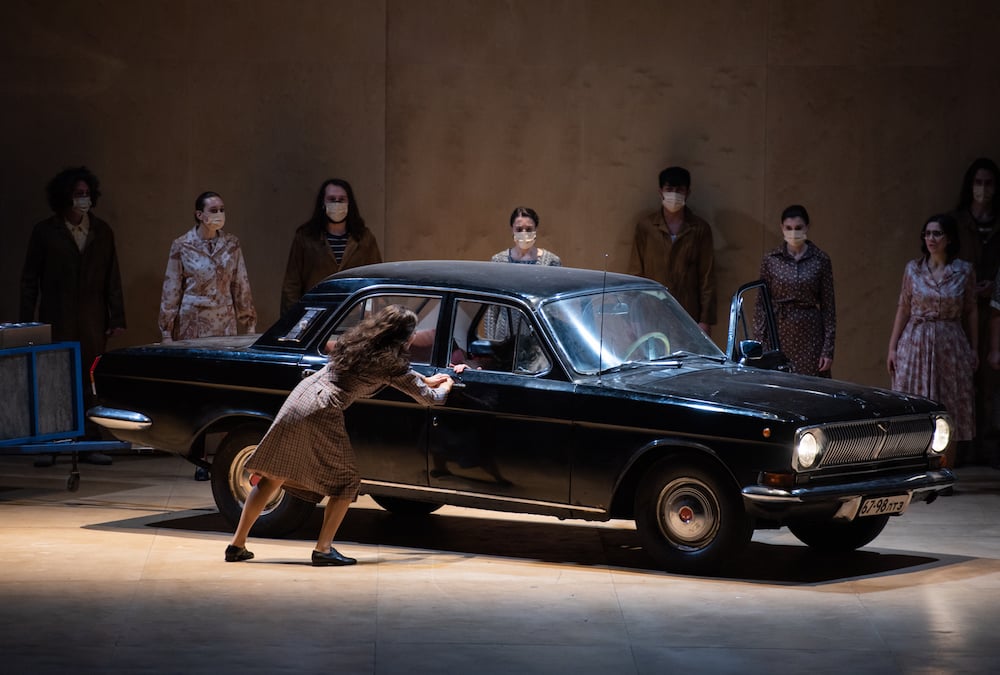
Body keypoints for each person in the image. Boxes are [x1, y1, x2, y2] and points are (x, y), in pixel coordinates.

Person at [225, 305, 465, 566]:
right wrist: (448, 383)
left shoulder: (358, 342)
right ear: (403, 337)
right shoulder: (389, 363)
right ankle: (323, 550)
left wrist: (426, 379)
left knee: (274, 476)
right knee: (346, 482)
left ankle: (236, 545)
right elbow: (429, 398)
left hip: (302, 396)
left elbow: (400, 375)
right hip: (321, 408)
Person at [20, 166, 126, 466]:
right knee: (55, 379)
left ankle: (90, 442)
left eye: (87, 193)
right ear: (64, 197)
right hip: (57, 316)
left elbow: (112, 277)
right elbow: (30, 279)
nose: (83, 199)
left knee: (90, 380)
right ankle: (51, 443)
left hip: (92, 318)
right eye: (78, 194)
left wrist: (116, 317)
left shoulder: (101, 231)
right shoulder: (45, 232)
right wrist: (27, 321)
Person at [887, 214, 977, 470]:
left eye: (937, 233)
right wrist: (892, 347)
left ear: (949, 238)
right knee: (914, 404)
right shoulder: (913, 269)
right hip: (916, 343)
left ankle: (946, 469)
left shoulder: (964, 271)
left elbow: (971, 309)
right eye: (927, 234)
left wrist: (974, 348)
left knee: (950, 407)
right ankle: (913, 468)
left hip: (950, 344)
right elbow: (903, 307)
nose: (931, 239)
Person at [628, 166, 717, 335]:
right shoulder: (646, 227)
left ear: (687, 192)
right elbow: (635, 274)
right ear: (660, 191)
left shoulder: (700, 229)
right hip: (651, 312)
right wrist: (633, 316)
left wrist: (705, 320)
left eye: (679, 190)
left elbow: (707, 278)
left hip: (688, 314)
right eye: (669, 189)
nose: (674, 194)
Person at [158, 192, 257, 342]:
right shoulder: (183, 245)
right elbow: (171, 289)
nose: (219, 214)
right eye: (213, 210)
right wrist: (166, 331)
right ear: (199, 215)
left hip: (224, 322)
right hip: (193, 322)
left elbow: (241, 284)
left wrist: (249, 324)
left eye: (222, 209)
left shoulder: (231, 244)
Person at [753, 205, 836, 377]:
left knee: (810, 384)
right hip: (778, 330)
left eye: (798, 228)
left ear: (807, 227)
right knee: (778, 382)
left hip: (810, 333)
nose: (793, 233)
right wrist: (759, 343)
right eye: (788, 228)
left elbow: (828, 308)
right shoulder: (771, 259)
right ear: (782, 228)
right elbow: (761, 304)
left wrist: (828, 350)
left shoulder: (820, 260)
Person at [954, 158, 1000, 464]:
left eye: (989, 183)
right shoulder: (957, 222)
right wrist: (969, 286)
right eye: (978, 183)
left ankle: (989, 447)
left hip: (994, 308)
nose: (983, 189)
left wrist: (992, 286)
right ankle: (964, 448)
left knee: (990, 381)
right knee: (962, 381)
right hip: (961, 310)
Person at [280, 179, 382, 315]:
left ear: (349, 203)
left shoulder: (364, 238)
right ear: (323, 203)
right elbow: (292, 285)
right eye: (332, 199)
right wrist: (292, 318)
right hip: (316, 314)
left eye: (341, 199)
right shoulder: (306, 238)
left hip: (353, 315)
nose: (337, 203)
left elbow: (376, 280)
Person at [490, 206, 561, 266]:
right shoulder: (498, 261)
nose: (524, 233)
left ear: (536, 229)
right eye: (519, 229)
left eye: (529, 229)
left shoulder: (551, 262)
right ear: (512, 230)